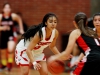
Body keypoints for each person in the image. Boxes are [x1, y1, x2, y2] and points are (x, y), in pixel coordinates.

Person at [0, 3, 24, 71]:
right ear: (3, 9)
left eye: (8, 8)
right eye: (6, 8)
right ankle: (4, 65)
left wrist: (21, 29)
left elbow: (19, 19)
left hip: (11, 35)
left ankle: (10, 63)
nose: (7, 9)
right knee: (3, 52)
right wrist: (2, 28)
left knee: (10, 49)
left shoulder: (13, 16)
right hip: (3, 36)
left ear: (10, 9)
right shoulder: (1, 17)